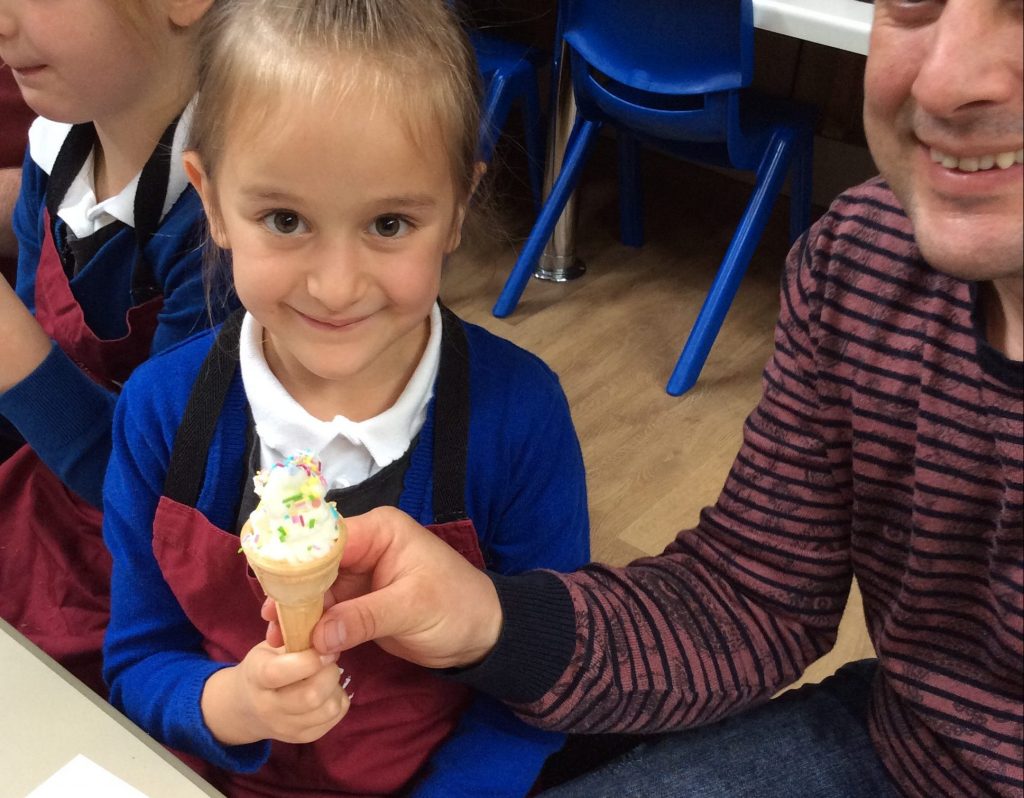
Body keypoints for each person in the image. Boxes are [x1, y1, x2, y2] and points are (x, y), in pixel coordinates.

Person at [296, 0, 1024, 796]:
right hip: (902, 746)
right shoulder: (863, 259)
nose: (946, 81)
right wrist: (493, 621)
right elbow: (753, 598)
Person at [101, 1, 590, 796]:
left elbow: (535, 692)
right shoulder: (162, 411)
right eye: (285, 219)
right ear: (213, 199)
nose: (335, 286)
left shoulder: (520, 418)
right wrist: (233, 703)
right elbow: (136, 660)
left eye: (390, 223)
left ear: (458, 208)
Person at [0, 0, 222, 696]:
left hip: (150, 586)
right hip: (47, 510)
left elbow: (151, 492)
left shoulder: (230, 224)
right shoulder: (60, 146)